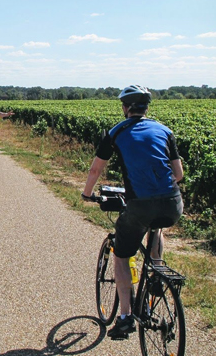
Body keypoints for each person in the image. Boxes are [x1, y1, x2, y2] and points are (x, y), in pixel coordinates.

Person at [81, 85, 184, 340]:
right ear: (146, 107)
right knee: (157, 226)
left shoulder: (116, 132)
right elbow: (179, 174)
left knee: (122, 254)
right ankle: (157, 270)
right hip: (173, 203)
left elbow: (95, 171)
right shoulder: (165, 130)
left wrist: (86, 194)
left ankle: (125, 317)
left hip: (139, 204)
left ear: (125, 107)